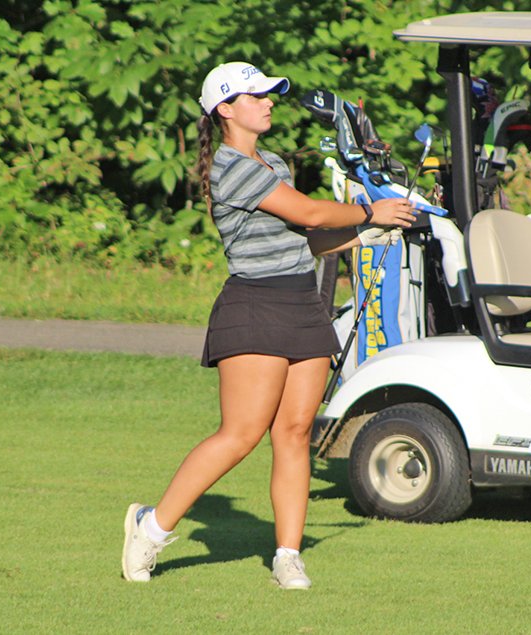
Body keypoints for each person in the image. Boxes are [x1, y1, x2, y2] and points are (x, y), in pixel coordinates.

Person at [122, 61, 416, 590]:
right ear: (226, 109)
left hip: (302, 303)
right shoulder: (231, 167)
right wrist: (370, 211)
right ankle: (152, 526)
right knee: (240, 434)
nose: (269, 102)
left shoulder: (273, 161)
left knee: (296, 432)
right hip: (253, 306)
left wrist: (373, 233)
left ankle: (286, 555)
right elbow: (308, 213)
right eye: (257, 96)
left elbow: (305, 239)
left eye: (270, 94)